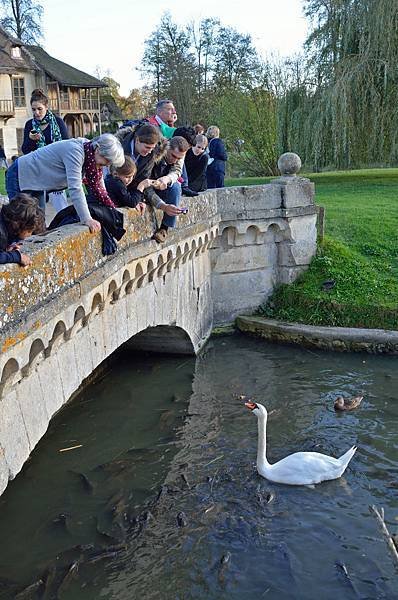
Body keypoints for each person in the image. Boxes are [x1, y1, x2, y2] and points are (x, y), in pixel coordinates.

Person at [6, 133, 125, 233]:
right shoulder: (75, 152)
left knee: (37, 223)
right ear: (98, 149)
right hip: (20, 174)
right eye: (107, 160)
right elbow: (76, 188)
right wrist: (87, 219)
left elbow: (99, 185)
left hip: (37, 182)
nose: (107, 164)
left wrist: (111, 207)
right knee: (20, 221)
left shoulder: (90, 152)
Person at [20, 89, 70, 212]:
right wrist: (31, 140)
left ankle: (63, 229)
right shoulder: (29, 125)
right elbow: (25, 150)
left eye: (39, 109)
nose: (36, 113)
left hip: (55, 169)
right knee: (38, 209)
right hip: (38, 170)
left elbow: (67, 144)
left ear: (46, 107)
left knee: (61, 207)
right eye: (33, 109)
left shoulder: (57, 122)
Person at [146, 136, 190, 243]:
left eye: (178, 158)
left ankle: (164, 228)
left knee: (176, 187)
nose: (174, 160)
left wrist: (167, 179)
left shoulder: (179, 156)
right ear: (167, 148)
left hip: (162, 185)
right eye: (173, 156)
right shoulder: (153, 154)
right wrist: (163, 206)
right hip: (145, 185)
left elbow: (177, 170)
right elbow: (146, 187)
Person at [0, 193, 45, 266]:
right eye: (30, 230)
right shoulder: (1, 232)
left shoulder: (5, 224)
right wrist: (17, 256)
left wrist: (7, 248)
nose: (30, 235)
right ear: (20, 224)